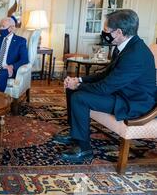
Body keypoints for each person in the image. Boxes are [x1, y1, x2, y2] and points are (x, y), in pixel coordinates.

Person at [56, 9, 156, 162]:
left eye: (106, 30)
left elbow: (105, 87)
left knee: (80, 97)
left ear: (119, 32)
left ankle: (84, 150)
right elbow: (105, 74)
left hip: (134, 102)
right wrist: (79, 81)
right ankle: (75, 133)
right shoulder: (125, 46)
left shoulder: (135, 54)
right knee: (73, 90)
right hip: (121, 92)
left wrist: (78, 87)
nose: (103, 33)